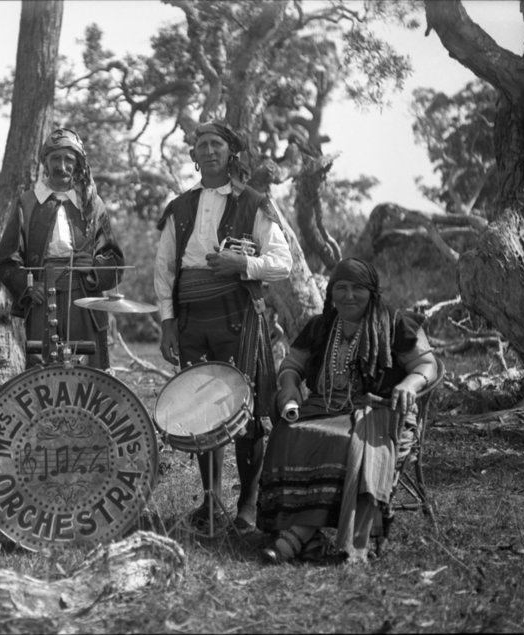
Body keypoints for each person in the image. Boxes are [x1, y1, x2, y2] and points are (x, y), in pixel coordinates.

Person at [154, 121, 292, 533]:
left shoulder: (254, 203)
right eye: (201, 145)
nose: (209, 151)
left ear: (231, 152)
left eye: (216, 144)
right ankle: (211, 501)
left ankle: (248, 505)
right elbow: (164, 270)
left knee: (244, 411)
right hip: (192, 319)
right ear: (193, 156)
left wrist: (242, 264)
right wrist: (167, 324)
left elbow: (282, 263)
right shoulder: (179, 207)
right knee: (201, 411)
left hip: (238, 316)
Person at [257, 257, 438, 564]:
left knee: (346, 443)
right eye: (341, 288)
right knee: (287, 432)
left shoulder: (395, 323)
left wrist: (410, 384)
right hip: (323, 407)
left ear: (372, 292)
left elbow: (426, 365)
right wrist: (288, 386)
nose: (349, 295)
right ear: (331, 292)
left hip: (377, 409)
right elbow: (293, 365)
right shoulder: (321, 326)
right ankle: (308, 538)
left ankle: (295, 537)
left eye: (358, 288)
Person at [0, 128, 125, 369]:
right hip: (43, 298)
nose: (62, 165)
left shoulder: (92, 204)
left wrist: (94, 268)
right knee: (44, 370)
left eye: (69, 159)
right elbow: (7, 260)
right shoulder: (28, 203)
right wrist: (28, 285)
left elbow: (114, 260)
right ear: (45, 161)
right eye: (55, 158)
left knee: (87, 370)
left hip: (85, 299)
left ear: (78, 164)